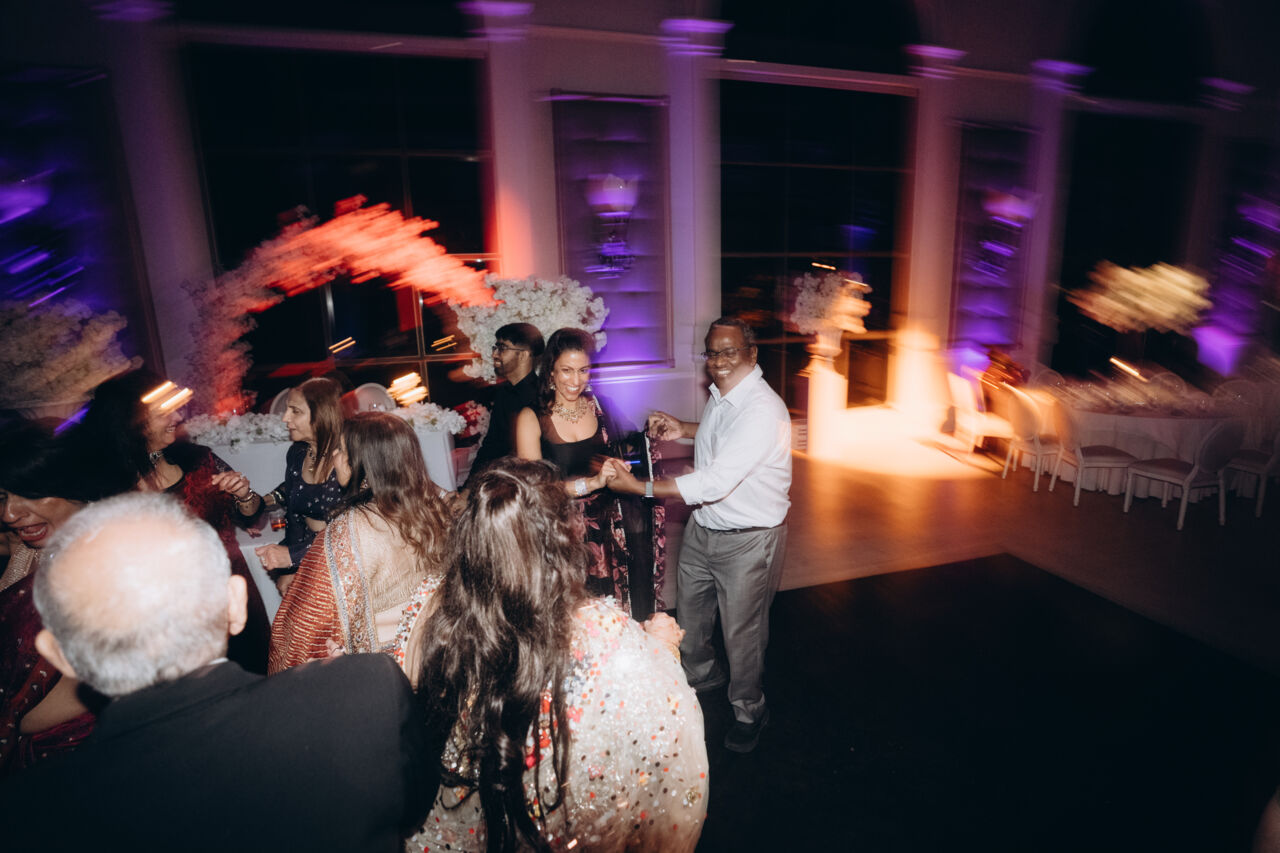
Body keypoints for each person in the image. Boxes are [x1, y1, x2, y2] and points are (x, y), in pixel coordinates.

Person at [0, 492, 438, 852]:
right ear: (235, 604)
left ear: (59, 654)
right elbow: (412, 811)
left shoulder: (29, 812)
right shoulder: (367, 689)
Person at [405, 458, 708, 852]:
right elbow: (665, 738)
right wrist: (664, 647)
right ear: (562, 541)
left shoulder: (441, 621)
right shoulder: (601, 631)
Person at [606, 316, 792, 753]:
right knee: (690, 615)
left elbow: (713, 482)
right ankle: (703, 676)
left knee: (742, 634)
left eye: (729, 351)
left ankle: (749, 710)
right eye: (712, 351)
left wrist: (639, 488)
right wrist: (684, 428)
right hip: (704, 527)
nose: (718, 360)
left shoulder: (762, 410)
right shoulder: (725, 396)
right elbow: (721, 435)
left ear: (752, 354)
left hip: (749, 539)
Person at [72, 369, 271, 673]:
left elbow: (252, 515)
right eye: (163, 413)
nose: (177, 417)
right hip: (158, 618)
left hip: (225, 602)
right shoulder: (107, 488)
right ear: (131, 422)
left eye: (175, 409)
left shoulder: (199, 460)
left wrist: (244, 495)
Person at [269, 412, 452, 672]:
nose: (334, 457)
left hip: (382, 676)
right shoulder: (438, 506)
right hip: (439, 660)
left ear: (362, 462)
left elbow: (300, 630)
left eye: (340, 450)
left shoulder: (350, 530)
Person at [515, 328, 665, 616]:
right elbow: (533, 489)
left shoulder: (602, 407)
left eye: (583, 370)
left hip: (607, 531)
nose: (576, 381)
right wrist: (591, 483)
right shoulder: (531, 417)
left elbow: (629, 449)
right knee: (570, 614)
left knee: (609, 613)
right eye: (567, 371)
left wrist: (648, 437)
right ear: (550, 371)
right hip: (559, 534)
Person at [0, 421, 98, 774]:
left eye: (32, 493)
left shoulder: (110, 558)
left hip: (79, 757)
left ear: (80, 487)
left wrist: (13, 720)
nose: (10, 514)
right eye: (3, 497)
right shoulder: (30, 549)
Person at [253, 376, 344, 594]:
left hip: (341, 566)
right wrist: (291, 569)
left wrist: (292, 557)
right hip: (306, 558)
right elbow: (294, 517)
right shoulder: (297, 454)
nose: (285, 418)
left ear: (322, 414)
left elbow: (350, 534)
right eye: (287, 410)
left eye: (295, 411)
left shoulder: (348, 459)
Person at [467, 322, 544, 479]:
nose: (494, 354)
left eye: (502, 348)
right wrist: (469, 487)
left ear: (523, 355)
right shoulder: (503, 393)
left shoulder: (541, 396)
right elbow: (491, 447)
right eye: (495, 348)